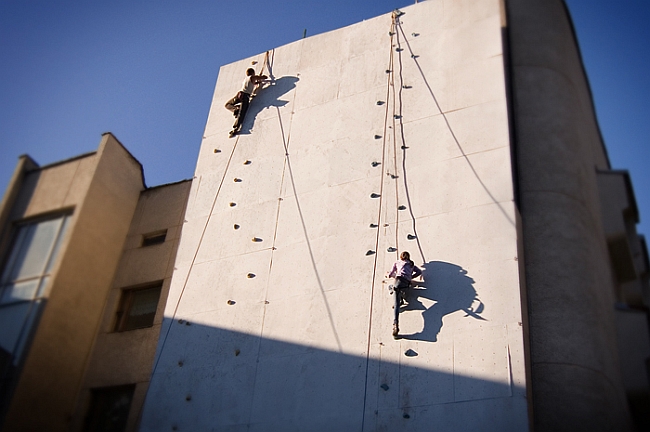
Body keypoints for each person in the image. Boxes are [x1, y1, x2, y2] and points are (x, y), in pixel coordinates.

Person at [386, 251, 422, 338]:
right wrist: (410, 278)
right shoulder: (411, 264)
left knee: (393, 292)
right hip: (406, 284)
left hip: (398, 282)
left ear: (401, 256)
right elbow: (419, 272)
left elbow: (391, 273)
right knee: (399, 292)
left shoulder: (397, 262)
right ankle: (401, 298)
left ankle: (395, 324)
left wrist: (388, 275)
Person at [225, 68, 268, 138]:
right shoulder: (252, 77)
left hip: (239, 95)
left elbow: (251, 84)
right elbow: (259, 78)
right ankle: (236, 127)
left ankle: (235, 109)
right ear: (253, 73)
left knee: (227, 104)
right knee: (242, 113)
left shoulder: (245, 80)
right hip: (245, 97)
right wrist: (263, 77)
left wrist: (257, 83)